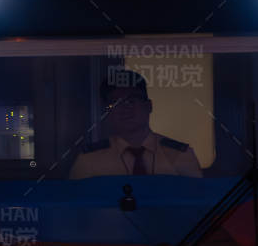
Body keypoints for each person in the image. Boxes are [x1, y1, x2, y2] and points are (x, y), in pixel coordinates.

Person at [71, 73, 202, 178]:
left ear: (149, 106)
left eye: (131, 101)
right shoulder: (90, 160)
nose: (124, 108)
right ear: (107, 112)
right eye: (115, 103)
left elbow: (199, 205)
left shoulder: (180, 156)